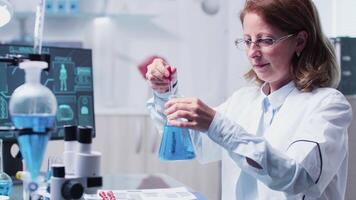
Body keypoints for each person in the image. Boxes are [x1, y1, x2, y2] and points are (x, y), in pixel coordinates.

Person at [145, 0, 353, 199]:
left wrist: (218, 125)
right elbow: (192, 144)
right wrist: (165, 92)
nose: (253, 52)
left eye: (265, 40)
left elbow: (299, 178)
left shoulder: (328, 105)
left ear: (299, 41)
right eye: (247, 41)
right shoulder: (244, 101)